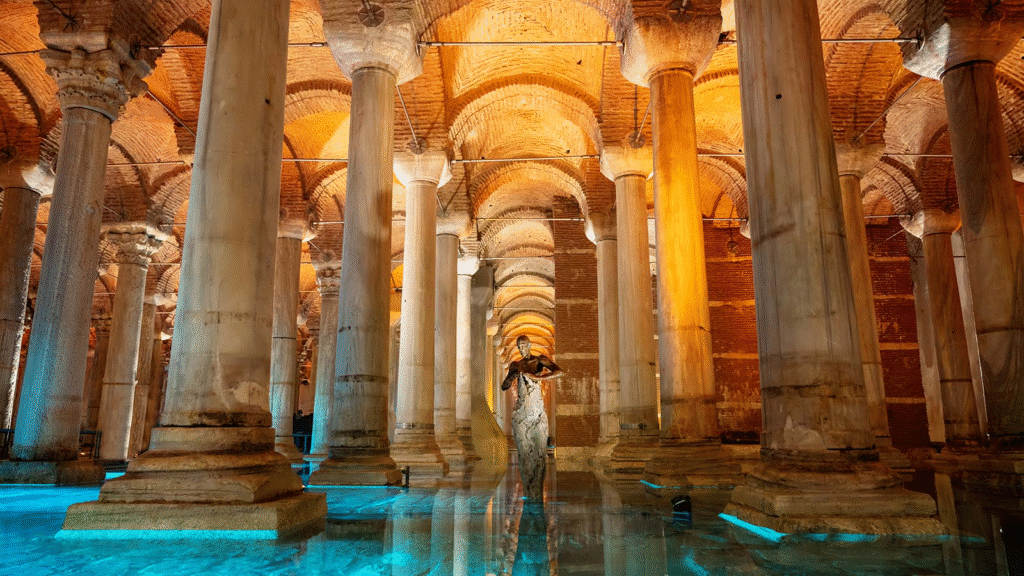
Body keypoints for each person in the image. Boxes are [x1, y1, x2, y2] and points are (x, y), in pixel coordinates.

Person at [501, 335, 561, 500]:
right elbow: (504, 386)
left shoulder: (539, 360)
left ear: (529, 345)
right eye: (518, 346)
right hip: (521, 413)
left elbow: (560, 372)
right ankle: (528, 490)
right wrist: (512, 376)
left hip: (537, 411)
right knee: (524, 454)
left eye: (523, 345)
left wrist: (539, 378)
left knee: (540, 455)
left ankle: (537, 493)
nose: (521, 348)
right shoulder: (516, 364)